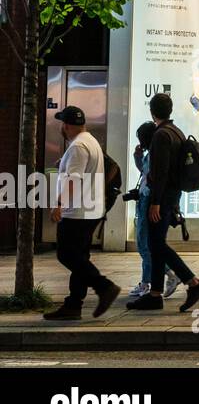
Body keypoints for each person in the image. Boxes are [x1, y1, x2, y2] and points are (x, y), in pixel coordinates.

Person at [126, 92, 199, 313]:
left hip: (162, 198)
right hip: (171, 195)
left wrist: (155, 202)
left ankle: (193, 282)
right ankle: (155, 295)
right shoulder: (176, 132)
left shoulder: (161, 135)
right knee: (156, 244)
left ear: (152, 112)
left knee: (157, 244)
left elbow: (160, 172)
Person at [43, 107, 120, 321]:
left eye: (62, 125)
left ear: (66, 126)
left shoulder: (77, 146)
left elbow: (74, 179)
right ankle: (74, 305)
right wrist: (64, 165)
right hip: (90, 209)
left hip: (77, 211)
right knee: (79, 256)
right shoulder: (90, 141)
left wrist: (59, 203)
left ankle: (104, 286)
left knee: (66, 254)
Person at [125, 122, 180, 300]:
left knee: (145, 245)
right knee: (150, 244)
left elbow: (151, 177)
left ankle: (167, 275)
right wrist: (138, 156)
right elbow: (147, 172)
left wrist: (153, 203)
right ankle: (149, 281)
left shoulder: (153, 155)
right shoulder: (151, 155)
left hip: (148, 200)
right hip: (149, 200)